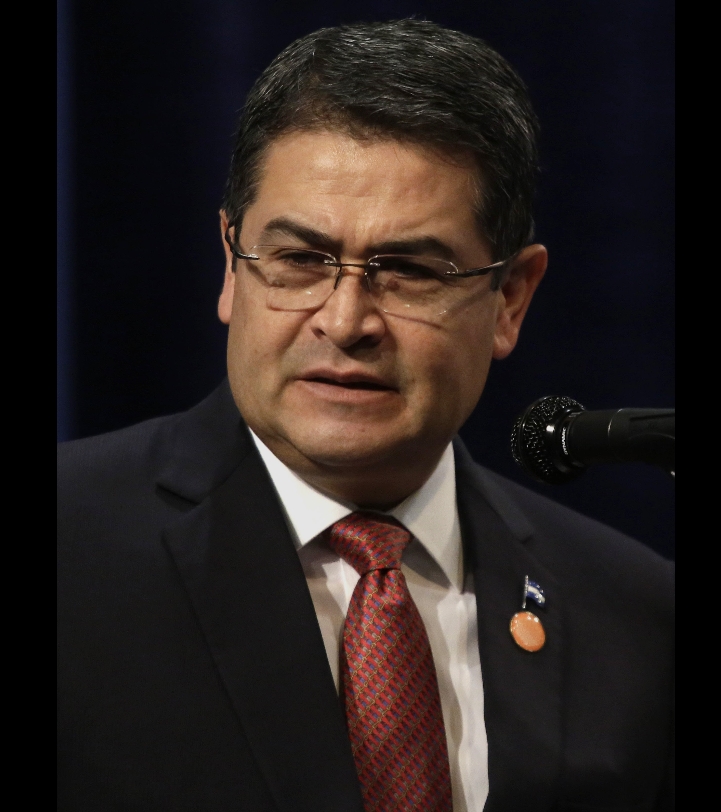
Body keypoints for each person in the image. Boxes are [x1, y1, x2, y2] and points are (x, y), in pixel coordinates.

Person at [57, 19, 674, 812]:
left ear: (510, 300)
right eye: (300, 260)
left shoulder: (634, 614)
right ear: (231, 265)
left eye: (408, 270)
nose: (345, 321)